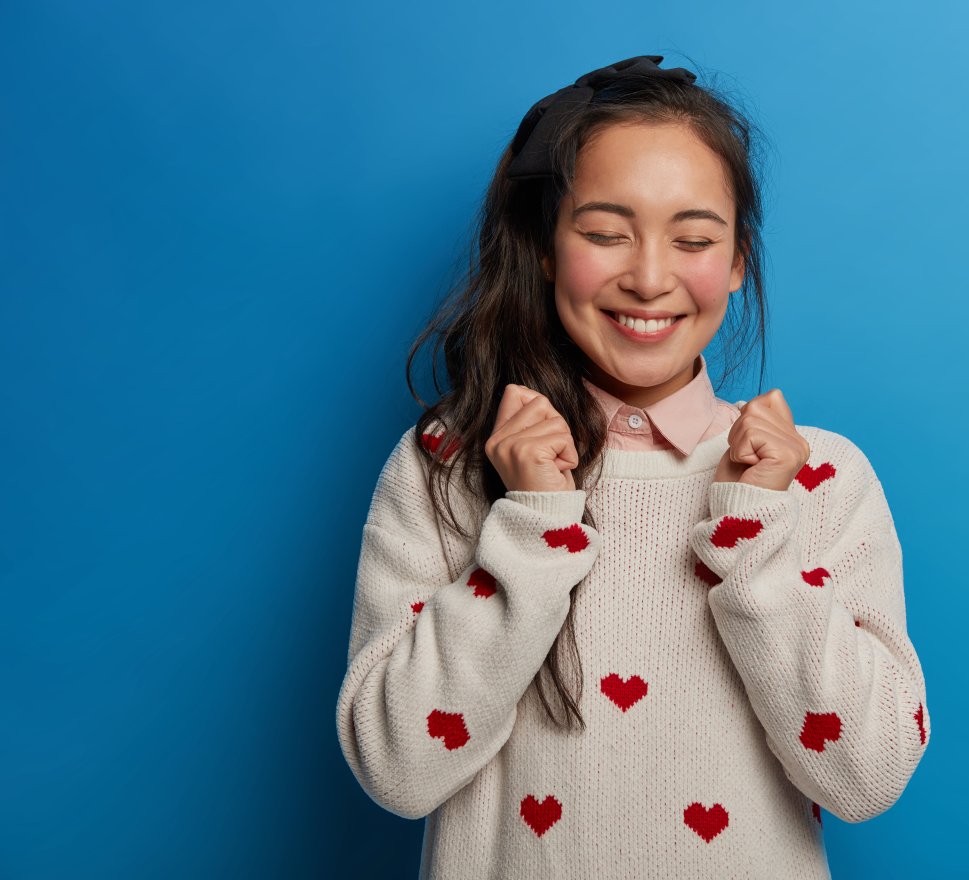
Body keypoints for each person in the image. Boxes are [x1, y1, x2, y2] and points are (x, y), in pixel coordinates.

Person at [335, 55, 931, 879]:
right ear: (545, 250)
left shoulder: (820, 478)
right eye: (606, 233)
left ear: (737, 263)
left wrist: (755, 538)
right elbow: (398, 770)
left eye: (693, 239)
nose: (649, 278)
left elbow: (867, 777)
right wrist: (532, 529)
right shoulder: (450, 462)